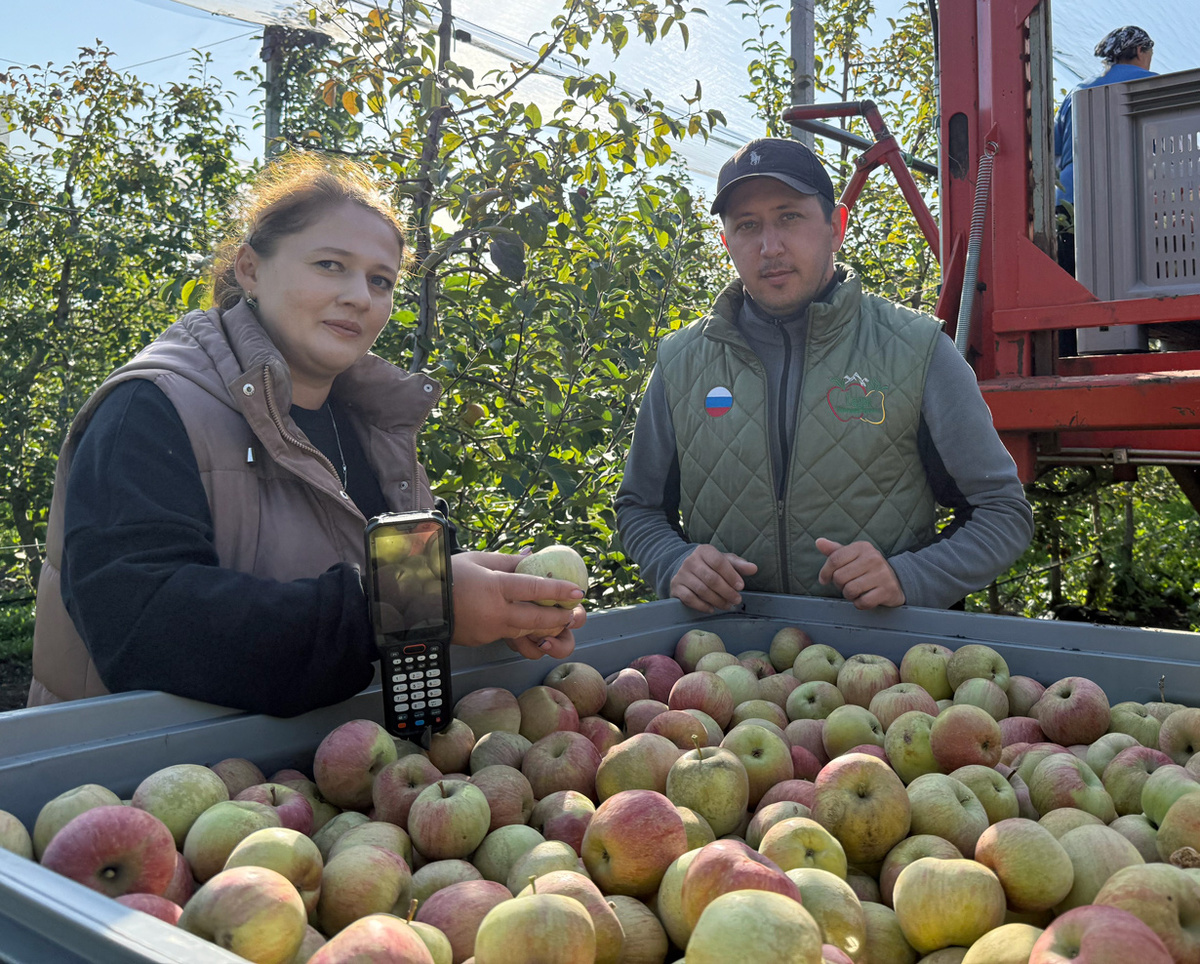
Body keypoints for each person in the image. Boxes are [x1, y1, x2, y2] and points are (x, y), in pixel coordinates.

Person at [28, 153, 585, 717]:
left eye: (381, 280)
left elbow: (383, 582)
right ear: (250, 269)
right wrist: (418, 602)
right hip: (156, 767)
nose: (360, 296)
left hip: (330, 757)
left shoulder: (373, 423)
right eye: (329, 265)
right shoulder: (150, 407)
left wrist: (491, 604)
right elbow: (140, 622)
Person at [615, 137, 1034, 614]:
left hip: (883, 652)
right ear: (726, 242)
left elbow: (1002, 513)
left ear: (836, 228)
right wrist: (673, 562)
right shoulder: (682, 361)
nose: (770, 247)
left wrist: (909, 577)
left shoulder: (917, 350)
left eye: (789, 217)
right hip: (725, 649)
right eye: (747, 225)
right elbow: (639, 508)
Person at [1054, 26, 1156, 209]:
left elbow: (1054, 150)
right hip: (1126, 197)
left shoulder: (1077, 92)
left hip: (1069, 196)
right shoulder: (1153, 85)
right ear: (1140, 50)